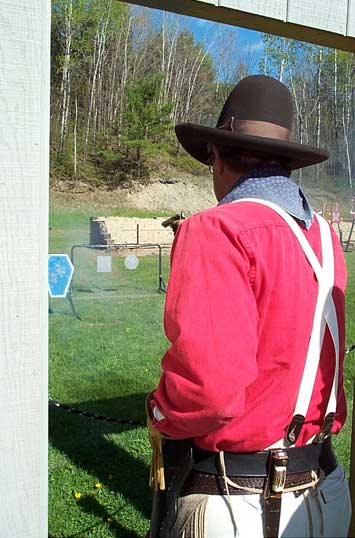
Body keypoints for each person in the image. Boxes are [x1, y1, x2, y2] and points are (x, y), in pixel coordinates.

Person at [146, 75, 351, 538]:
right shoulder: (325, 237)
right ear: (286, 164)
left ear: (218, 158)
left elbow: (208, 393)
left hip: (243, 506)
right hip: (326, 494)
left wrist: (159, 411)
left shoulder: (215, 229)